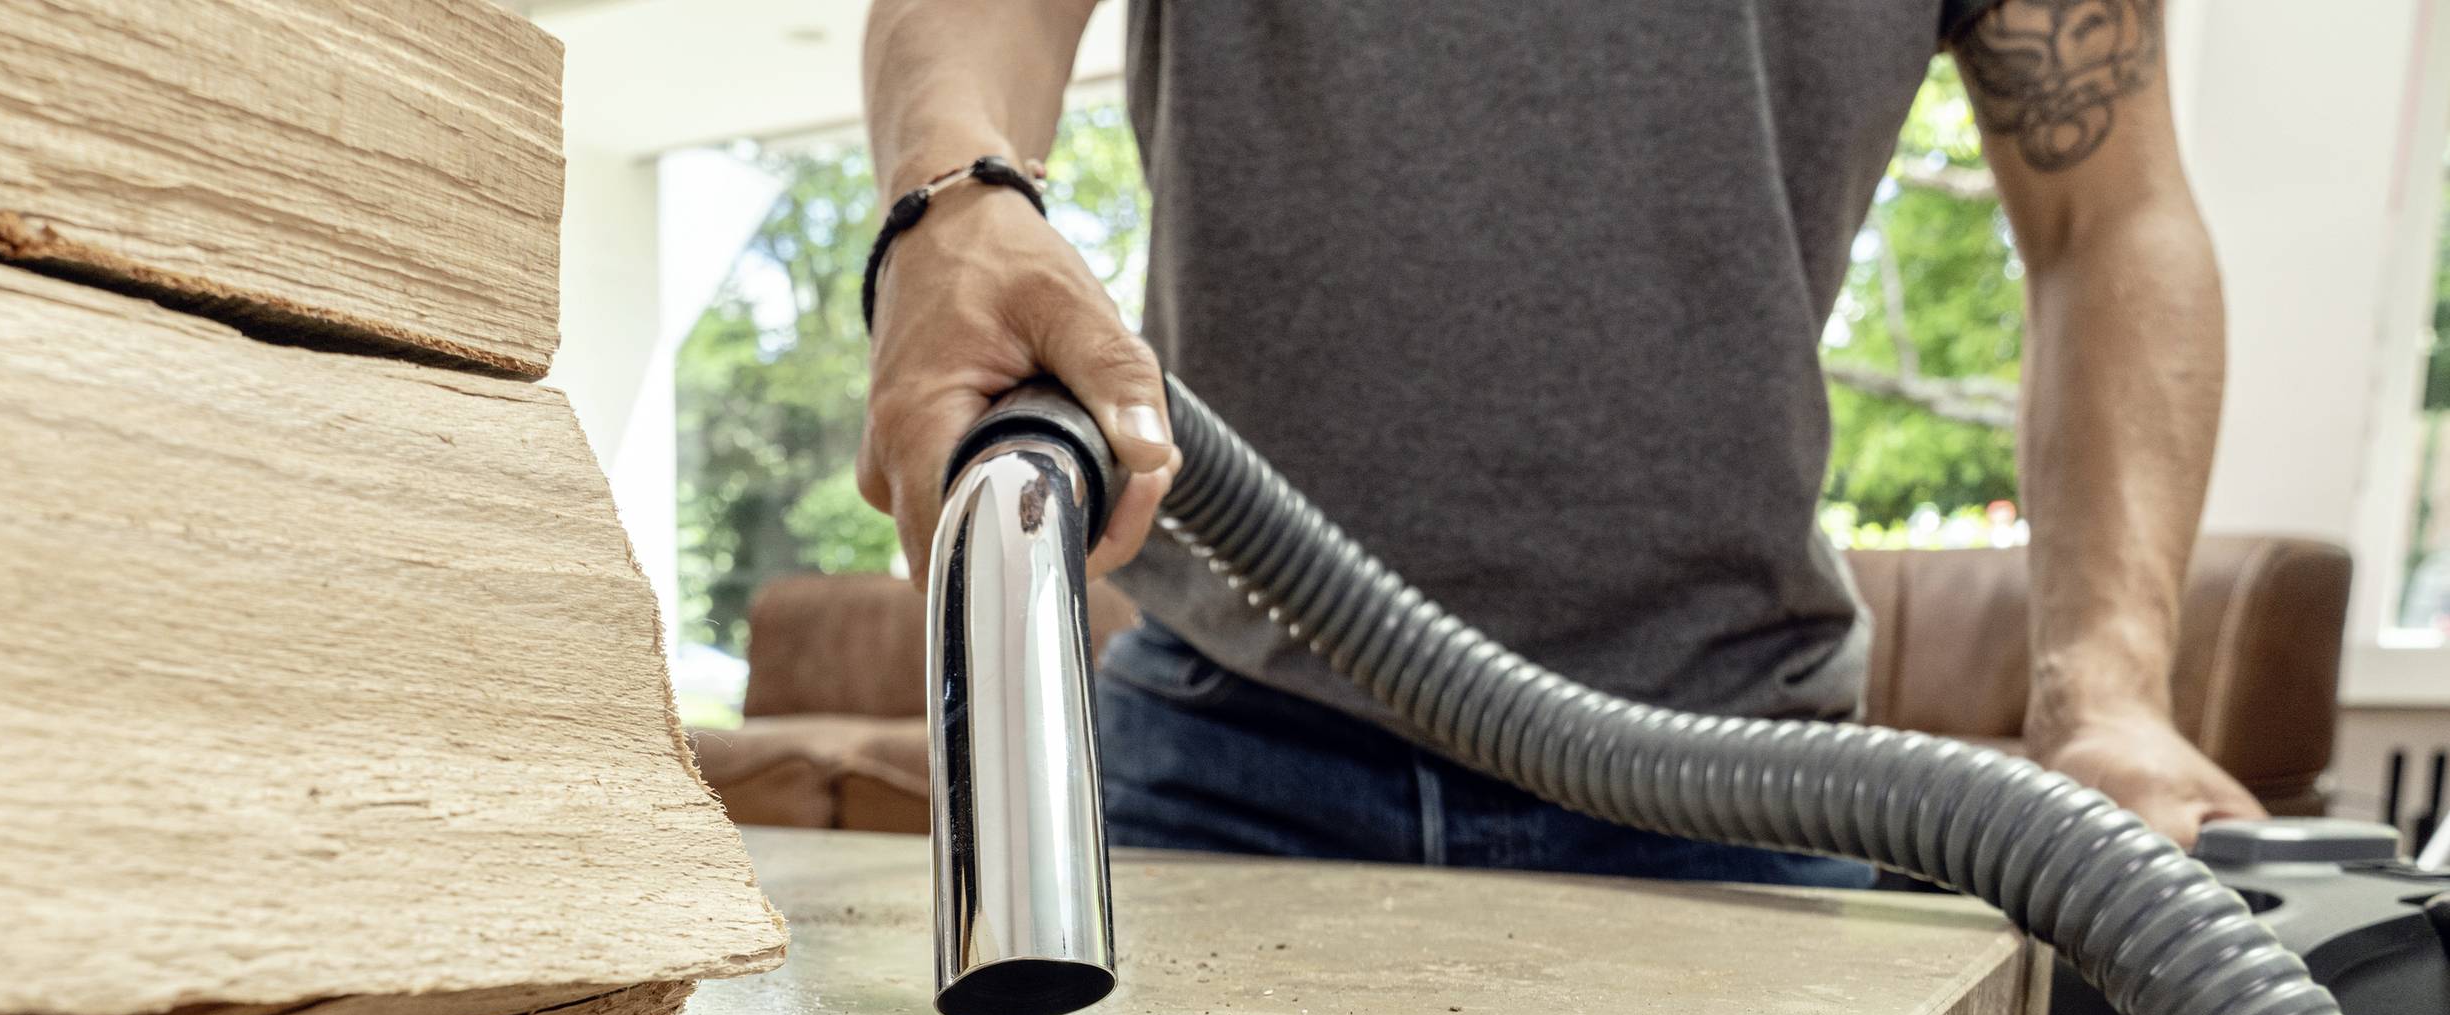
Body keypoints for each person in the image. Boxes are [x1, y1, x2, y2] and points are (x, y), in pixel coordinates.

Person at [854, 0, 2263, 883]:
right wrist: (954, 196)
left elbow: (2111, 220)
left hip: (1738, 782)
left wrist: (2112, 695)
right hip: (1226, 745)